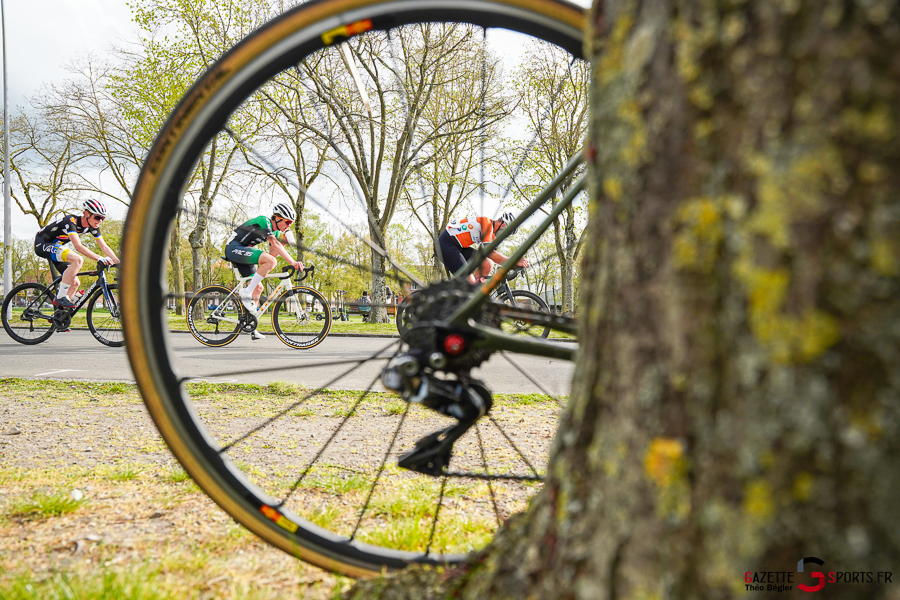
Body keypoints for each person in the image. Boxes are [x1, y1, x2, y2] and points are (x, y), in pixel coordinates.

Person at [224, 202, 303, 340]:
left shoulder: (276, 232)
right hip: (234, 247)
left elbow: (272, 254)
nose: (289, 225)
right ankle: (245, 292)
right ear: (277, 218)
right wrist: (293, 262)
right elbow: (274, 246)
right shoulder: (264, 221)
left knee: (258, 287)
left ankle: (251, 327)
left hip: (245, 252)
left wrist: (283, 241)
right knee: (270, 264)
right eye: (288, 221)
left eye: (291, 223)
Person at [34, 199, 120, 310]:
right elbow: (78, 246)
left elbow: (104, 247)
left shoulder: (92, 227)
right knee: (78, 259)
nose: (100, 221)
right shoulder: (70, 221)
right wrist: (100, 258)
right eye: (97, 217)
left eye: (102, 218)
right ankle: (60, 297)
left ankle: (60, 316)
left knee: (75, 283)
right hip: (43, 244)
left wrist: (118, 262)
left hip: (56, 249)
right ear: (86, 214)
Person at [438, 212, 528, 284]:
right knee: (470, 282)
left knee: (487, 263)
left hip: (459, 247)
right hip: (446, 245)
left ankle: (473, 295)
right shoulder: (487, 224)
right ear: (503, 226)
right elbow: (490, 253)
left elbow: (492, 256)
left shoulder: (492, 235)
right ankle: (465, 296)